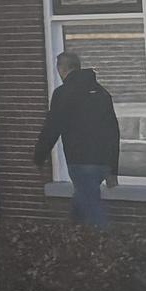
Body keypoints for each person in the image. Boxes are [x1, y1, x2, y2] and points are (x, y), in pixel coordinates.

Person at [34, 47, 122, 228]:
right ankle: (73, 235)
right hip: (102, 162)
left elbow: (52, 127)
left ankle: (105, 240)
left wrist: (39, 156)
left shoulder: (63, 93)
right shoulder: (102, 93)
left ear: (62, 69)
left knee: (91, 207)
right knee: (82, 202)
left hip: (80, 160)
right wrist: (112, 169)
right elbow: (113, 132)